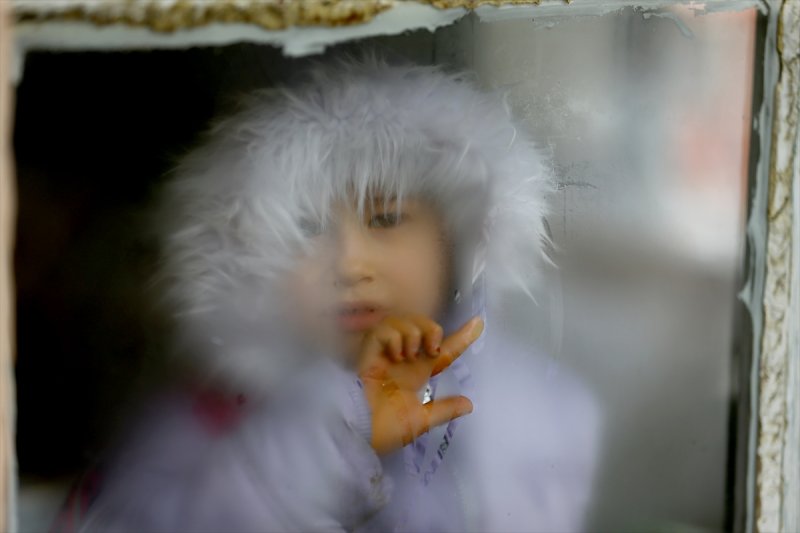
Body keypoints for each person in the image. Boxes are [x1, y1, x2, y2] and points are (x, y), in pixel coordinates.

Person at [58, 55, 600, 532]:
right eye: (305, 231)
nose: (350, 263)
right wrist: (333, 427)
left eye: (386, 218)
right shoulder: (205, 417)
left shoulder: (538, 414)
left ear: (456, 240)